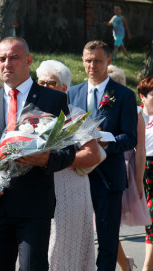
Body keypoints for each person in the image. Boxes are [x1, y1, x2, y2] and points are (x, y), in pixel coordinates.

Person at [0, 37, 76, 270]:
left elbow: (68, 151)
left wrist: (46, 159)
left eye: (14, 57)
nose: (7, 64)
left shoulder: (53, 99)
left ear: (28, 61)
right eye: (2, 59)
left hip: (34, 206)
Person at [67, 40, 137, 271]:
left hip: (108, 178)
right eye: (87, 60)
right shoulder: (72, 93)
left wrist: (106, 142)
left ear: (108, 61)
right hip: (76, 176)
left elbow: (130, 138)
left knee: (107, 239)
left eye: (97, 60)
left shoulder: (124, 95)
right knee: (77, 237)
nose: (92, 65)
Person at [36, 60, 98, 270]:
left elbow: (93, 155)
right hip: (35, 192)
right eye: (41, 82)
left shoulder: (74, 114)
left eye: (51, 83)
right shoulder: (29, 114)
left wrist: (56, 160)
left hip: (69, 193)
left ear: (64, 88)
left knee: (62, 252)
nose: (44, 87)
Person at [108, 65, 148, 271]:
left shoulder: (136, 111)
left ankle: (124, 264)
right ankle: (125, 263)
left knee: (110, 224)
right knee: (105, 225)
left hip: (126, 169)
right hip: (98, 169)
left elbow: (140, 151)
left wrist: (139, 182)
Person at [136, 77, 153, 271]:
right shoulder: (136, 114)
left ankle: (147, 266)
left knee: (151, 215)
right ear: (142, 96)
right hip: (139, 169)